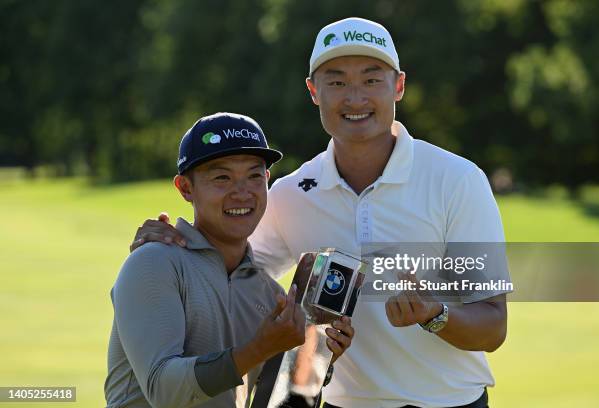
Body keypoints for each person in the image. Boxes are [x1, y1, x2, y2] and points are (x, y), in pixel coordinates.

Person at [131, 18, 511, 408]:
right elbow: (227, 273)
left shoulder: (458, 180)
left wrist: (435, 314)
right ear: (314, 91)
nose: (355, 97)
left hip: (451, 402)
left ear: (398, 85)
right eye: (336, 81)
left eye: (371, 79)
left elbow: (493, 325)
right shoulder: (290, 194)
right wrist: (169, 244)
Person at [105, 112, 354, 408]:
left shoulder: (269, 294)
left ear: (266, 181)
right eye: (222, 178)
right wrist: (258, 348)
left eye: (253, 176)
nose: (242, 193)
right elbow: (164, 391)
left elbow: (276, 400)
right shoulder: (154, 263)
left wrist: (314, 360)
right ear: (186, 188)